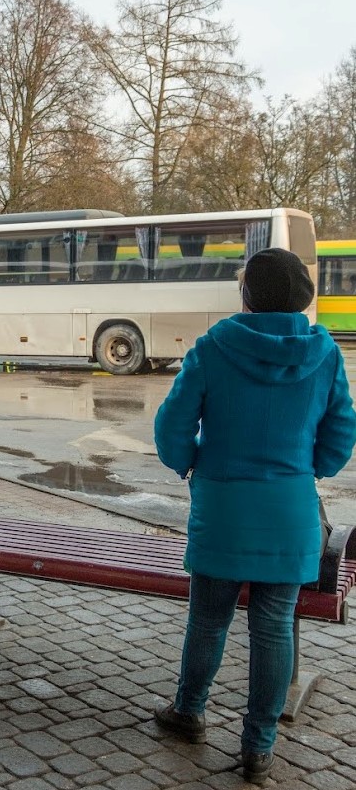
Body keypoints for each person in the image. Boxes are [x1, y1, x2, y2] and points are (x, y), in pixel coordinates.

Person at [152, 247, 356, 785]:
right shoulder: (325, 353)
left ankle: (189, 713)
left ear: (246, 294)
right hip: (290, 512)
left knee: (208, 619)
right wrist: (303, 470)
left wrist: (191, 464)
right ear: (304, 297)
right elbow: (340, 435)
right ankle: (258, 748)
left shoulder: (214, 347)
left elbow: (173, 427)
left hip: (222, 506)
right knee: (272, 628)